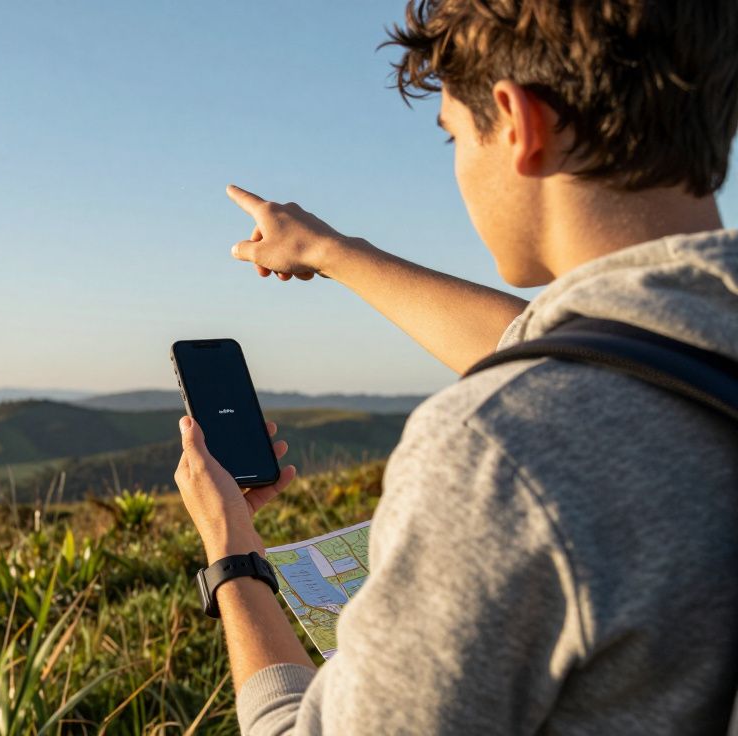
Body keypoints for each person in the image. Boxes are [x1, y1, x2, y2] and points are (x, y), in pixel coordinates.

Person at [172, 1, 738, 733]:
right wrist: (328, 251)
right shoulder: (691, 349)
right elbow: (594, 352)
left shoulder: (498, 453)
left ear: (519, 123)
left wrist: (232, 557)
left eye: (454, 137)